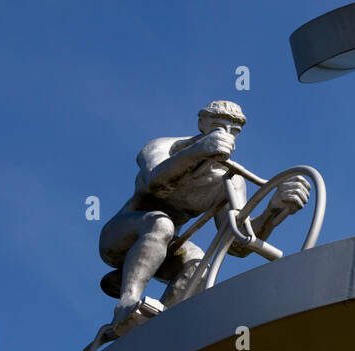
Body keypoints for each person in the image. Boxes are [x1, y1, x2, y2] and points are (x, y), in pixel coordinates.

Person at [97, 100, 310, 334]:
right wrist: (198, 151)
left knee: (201, 264)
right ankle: (128, 303)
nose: (226, 135)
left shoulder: (229, 180)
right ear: (202, 123)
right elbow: (156, 183)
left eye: (233, 131)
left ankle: (161, 326)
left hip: (168, 247)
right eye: (218, 126)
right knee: (161, 223)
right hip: (119, 236)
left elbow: (237, 242)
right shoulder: (165, 147)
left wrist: (275, 210)